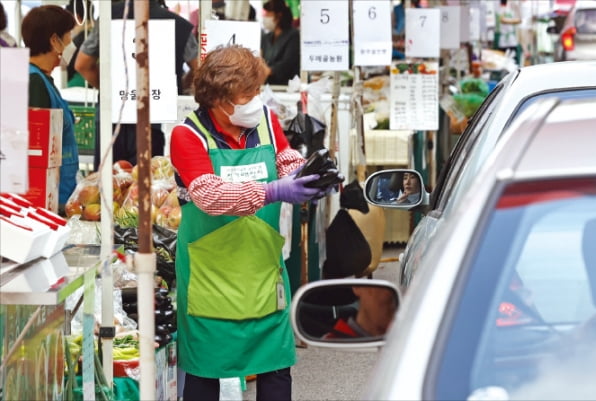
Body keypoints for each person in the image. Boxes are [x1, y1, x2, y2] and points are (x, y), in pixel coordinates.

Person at [170, 44, 327, 401]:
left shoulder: (266, 121)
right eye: (248, 93)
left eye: (257, 91)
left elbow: (284, 159)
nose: (256, 99)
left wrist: (308, 176)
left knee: (275, 370)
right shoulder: (187, 136)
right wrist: (273, 191)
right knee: (204, 375)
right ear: (220, 99)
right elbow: (209, 195)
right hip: (210, 277)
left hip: (262, 269)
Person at [74, 0, 198, 168]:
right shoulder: (178, 25)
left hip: (111, 118)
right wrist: (182, 85)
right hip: (154, 119)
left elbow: (82, 64)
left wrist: (110, 90)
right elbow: (200, 70)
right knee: (151, 185)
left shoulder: (108, 18)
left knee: (109, 185)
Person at [22, 5, 78, 210]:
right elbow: (36, 152)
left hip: (58, 193)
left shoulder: (43, 78)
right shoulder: (34, 83)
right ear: (55, 40)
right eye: (69, 36)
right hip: (47, 200)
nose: (72, 43)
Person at [323, 285, 397, 339]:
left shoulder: (403, 339)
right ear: (357, 287)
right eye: (386, 286)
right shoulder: (334, 339)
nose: (395, 295)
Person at [260, 0, 300, 86]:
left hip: (287, 86)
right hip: (269, 86)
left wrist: (269, 71)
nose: (265, 17)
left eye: (268, 14)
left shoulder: (294, 36)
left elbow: (288, 63)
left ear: (278, 15)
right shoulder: (266, 37)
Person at [65, 0, 93, 87]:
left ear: (77, 18)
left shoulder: (78, 40)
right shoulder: (97, 33)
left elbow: (66, 67)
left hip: (80, 86)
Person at [495, 0, 522, 64]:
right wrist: (512, 21)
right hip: (503, 40)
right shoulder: (499, 10)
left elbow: (519, 20)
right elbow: (502, 20)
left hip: (511, 40)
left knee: (513, 61)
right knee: (502, 61)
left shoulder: (511, 10)